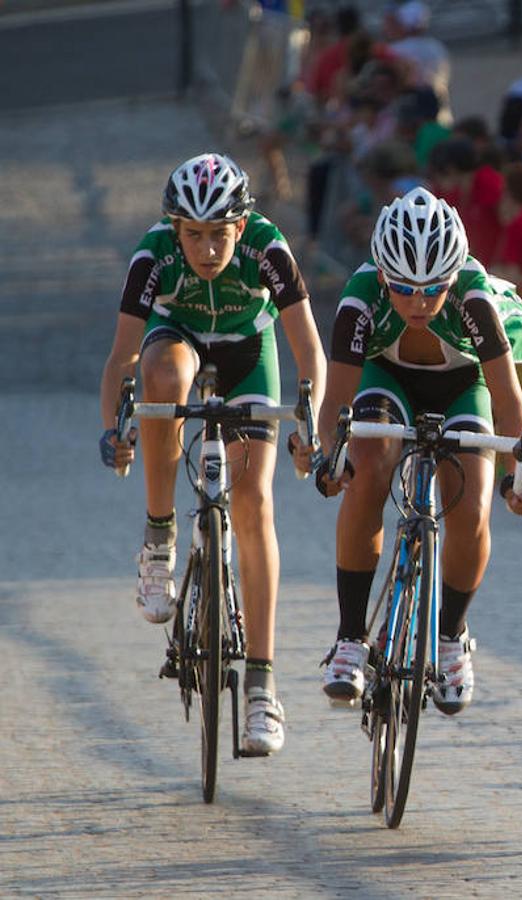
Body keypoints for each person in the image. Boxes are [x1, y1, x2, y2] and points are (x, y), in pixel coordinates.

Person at [99, 153, 327, 755]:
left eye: (219, 235)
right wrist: (115, 428)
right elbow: (121, 357)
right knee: (162, 378)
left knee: (253, 503)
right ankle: (158, 540)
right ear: (175, 229)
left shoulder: (267, 247)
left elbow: (308, 350)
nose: (205, 250)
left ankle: (261, 687)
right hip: (179, 341)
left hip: (250, 350)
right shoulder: (154, 255)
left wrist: (310, 427)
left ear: (240, 226)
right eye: (193, 235)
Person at [312, 187, 522, 714]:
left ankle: (450, 635)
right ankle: (351, 638)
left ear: (452, 276)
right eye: (404, 289)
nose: (418, 303)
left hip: (462, 383)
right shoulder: (360, 298)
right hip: (386, 378)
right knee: (370, 464)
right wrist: (332, 458)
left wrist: (521, 473)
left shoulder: (474, 297)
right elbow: (336, 403)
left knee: (472, 504)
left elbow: (509, 401)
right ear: (383, 276)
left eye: (433, 289)